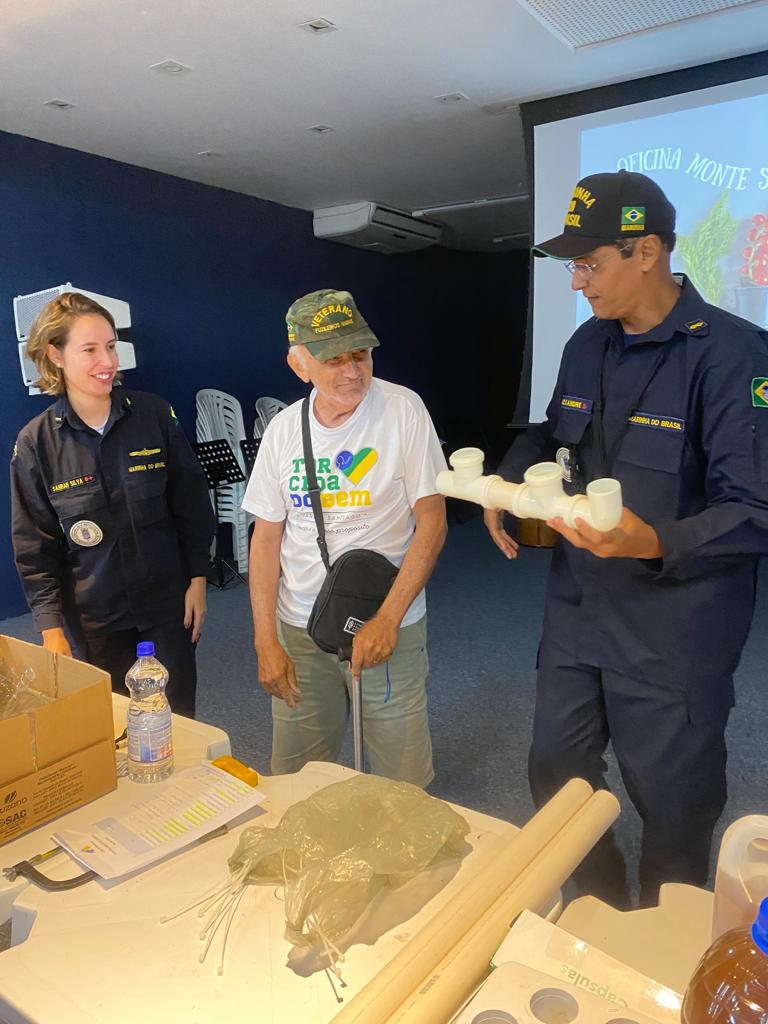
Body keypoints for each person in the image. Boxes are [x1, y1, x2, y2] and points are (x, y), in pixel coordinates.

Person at [485, 170, 768, 907]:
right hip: (579, 609)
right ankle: (599, 907)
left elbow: (756, 509)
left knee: (672, 801)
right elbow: (554, 432)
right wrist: (504, 486)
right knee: (555, 771)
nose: (577, 281)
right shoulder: (587, 343)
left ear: (646, 252)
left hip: (675, 629)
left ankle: (660, 943)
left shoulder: (735, 355)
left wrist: (653, 541)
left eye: (589, 263)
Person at [244, 288, 447, 786]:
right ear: (299, 364)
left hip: (386, 621)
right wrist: (265, 640)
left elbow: (433, 522)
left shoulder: (403, 410)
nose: (352, 371)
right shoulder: (283, 431)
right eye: (334, 359)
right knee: (295, 777)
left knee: (403, 783)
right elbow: (266, 540)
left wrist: (388, 619)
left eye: (360, 354)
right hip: (300, 628)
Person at [11, 292, 215, 718]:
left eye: (110, 346)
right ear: (56, 355)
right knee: (113, 728)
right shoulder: (36, 444)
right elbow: (34, 545)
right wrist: (50, 628)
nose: (107, 361)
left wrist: (198, 577)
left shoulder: (154, 415)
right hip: (96, 620)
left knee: (178, 722)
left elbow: (191, 502)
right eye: (89, 349)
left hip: (166, 608)